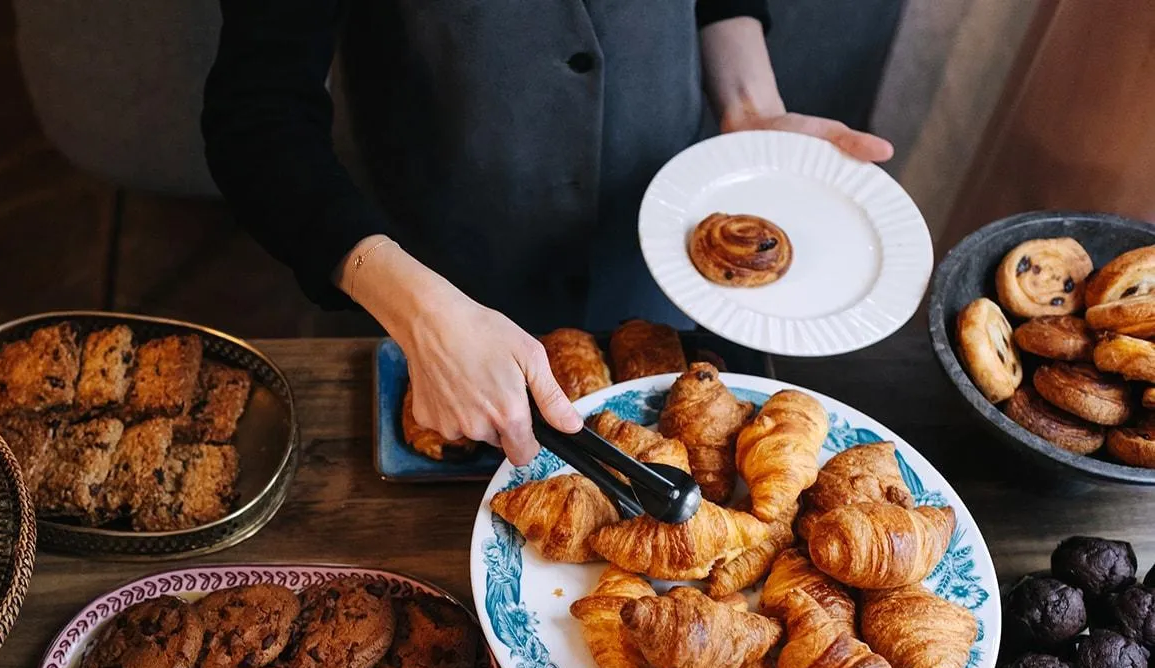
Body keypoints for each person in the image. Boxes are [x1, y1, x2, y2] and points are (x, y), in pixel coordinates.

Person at [202, 1, 892, 466]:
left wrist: (749, 108)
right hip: (424, 278)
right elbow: (256, 113)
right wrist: (414, 308)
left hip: (652, 256)